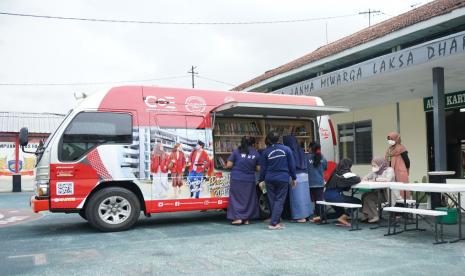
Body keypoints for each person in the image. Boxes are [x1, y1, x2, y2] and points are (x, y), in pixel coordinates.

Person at [259, 131, 297, 230]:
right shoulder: (287, 149)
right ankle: (274, 223)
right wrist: (294, 178)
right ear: (278, 139)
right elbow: (292, 165)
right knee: (279, 200)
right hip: (283, 178)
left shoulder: (265, 152)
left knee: (272, 200)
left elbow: (263, 168)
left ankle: (276, 220)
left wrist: (261, 179)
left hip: (269, 178)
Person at [225, 136, 260, 225]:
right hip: (249, 179)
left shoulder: (237, 151)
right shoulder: (256, 153)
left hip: (237, 178)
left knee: (236, 199)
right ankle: (246, 219)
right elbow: (258, 168)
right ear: (253, 143)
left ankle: (238, 218)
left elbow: (229, 164)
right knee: (248, 199)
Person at [324, 158, 361, 226]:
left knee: (340, 213)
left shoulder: (335, 172)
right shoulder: (345, 174)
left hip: (326, 196)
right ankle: (343, 218)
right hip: (335, 197)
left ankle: (321, 217)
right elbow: (357, 180)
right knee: (357, 201)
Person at [283, 135, 312, 223]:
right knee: (305, 196)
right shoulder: (301, 150)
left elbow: (290, 165)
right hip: (305, 175)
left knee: (296, 198)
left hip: (295, 176)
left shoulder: (289, 151)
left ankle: (300, 216)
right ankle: (307, 215)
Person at [361, 157, 397, 223]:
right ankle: (367, 215)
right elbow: (366, 177)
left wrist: (375, 180)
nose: (373, 167)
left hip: (388, 194)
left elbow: (387, 179)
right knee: (364, 195)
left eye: (374, 165)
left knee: (368, 198)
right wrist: (365, 178)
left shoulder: (389, 170)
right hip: (379, 192)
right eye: (372, 165)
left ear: (381, 164)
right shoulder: (376, 171)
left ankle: (375, 216)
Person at [307, 142, 328, 223]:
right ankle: (320, 216)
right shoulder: (322, 157)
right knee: (319, 200)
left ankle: (311, 215)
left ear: (310, 148)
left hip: (309, 183)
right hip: (319, 182)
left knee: (310, 200)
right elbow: (325, 168)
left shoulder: (307, 157)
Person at [385, 132, 410, 198]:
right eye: (389, 139)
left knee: (401, 187)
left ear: (396, 139)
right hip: (391, 171)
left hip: (400, 171)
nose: (390, 140)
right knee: (392, 188)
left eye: (391, 139)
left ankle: (403, 202)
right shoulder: (389, 149)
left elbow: (407, 160)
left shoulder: (401, 148)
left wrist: (407, 170)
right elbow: (387, 159)